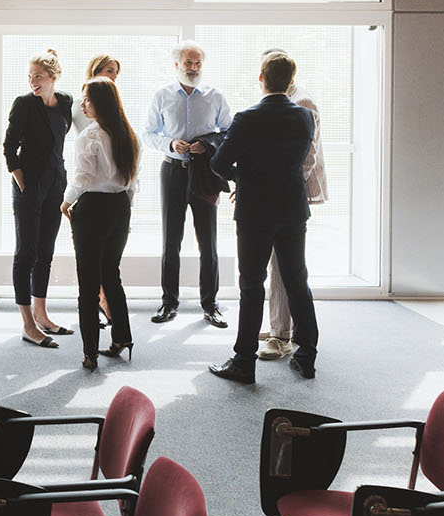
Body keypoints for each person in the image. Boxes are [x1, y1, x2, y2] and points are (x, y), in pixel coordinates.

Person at [207, 51, 320, 384]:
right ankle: (307, 356)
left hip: (256, 210)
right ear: (290, 81)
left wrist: (242, 178)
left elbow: (218, 164)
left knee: (252, 284)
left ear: (261, 79)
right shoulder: (304, 117)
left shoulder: (247, 118)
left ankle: (244, 361)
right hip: (291, 207)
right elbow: (298, 158)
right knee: (297, 279)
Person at [144, 40, 233, 328]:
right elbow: (148, 134)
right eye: (188, 63)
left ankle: (211, 304)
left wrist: (207, 145)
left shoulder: (214, 96)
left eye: (197, 64)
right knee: (171, 240)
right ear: (176, 65)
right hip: (172, 171)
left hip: (205, 173)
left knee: (208, 241)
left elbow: (229, 133)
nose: (193, 68)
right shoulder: (162, 95)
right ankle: (169, 302)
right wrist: (170, 143)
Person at [61, 77, 139, 372]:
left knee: (89, 283)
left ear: (100, 103)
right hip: (120, 207)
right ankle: (122, 338)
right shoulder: (130, 135)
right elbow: (132, 181)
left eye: (87, 100)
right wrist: (125, 211)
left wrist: (66, 202)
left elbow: (82, 178)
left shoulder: (90, 136)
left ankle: (90, 352)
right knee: (112, 276)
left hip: (92, 209)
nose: (83, 105)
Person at [258, 49, 327, 361]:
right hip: (282, 195)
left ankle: (282, 336)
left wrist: (274, 187)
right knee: (281, 265)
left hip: (287, 197)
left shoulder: (303, 102)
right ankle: (279, 325)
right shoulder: (285, 99)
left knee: (286, 269)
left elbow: (305, 159)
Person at [3, 49, 74, 348]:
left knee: (46, 252)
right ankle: (27, 323)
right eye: (30, 77)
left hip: (56, 183)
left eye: (39, 77)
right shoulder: (23, 104)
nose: (33, 82)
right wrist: (23, 182)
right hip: (29, 185)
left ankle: (42, 314)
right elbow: (9, 148)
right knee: (26, 253)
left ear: (53, 78)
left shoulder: (67, 102)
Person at [71, 54, 122, 324]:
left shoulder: (113, 106)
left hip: (109, 192)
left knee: (105, 265)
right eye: (108, 70)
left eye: (115, 72)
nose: (112, 76)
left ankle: (105, 304)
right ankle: (101, 305)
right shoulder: (85, 105)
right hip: (90, 188)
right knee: (94, 266)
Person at [71, 54, 121, 133]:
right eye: (110, 71)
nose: (115, 76)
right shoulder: (81, 105)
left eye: (116, 72)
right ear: (95, 72)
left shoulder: (113, 104)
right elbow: (85, 139)